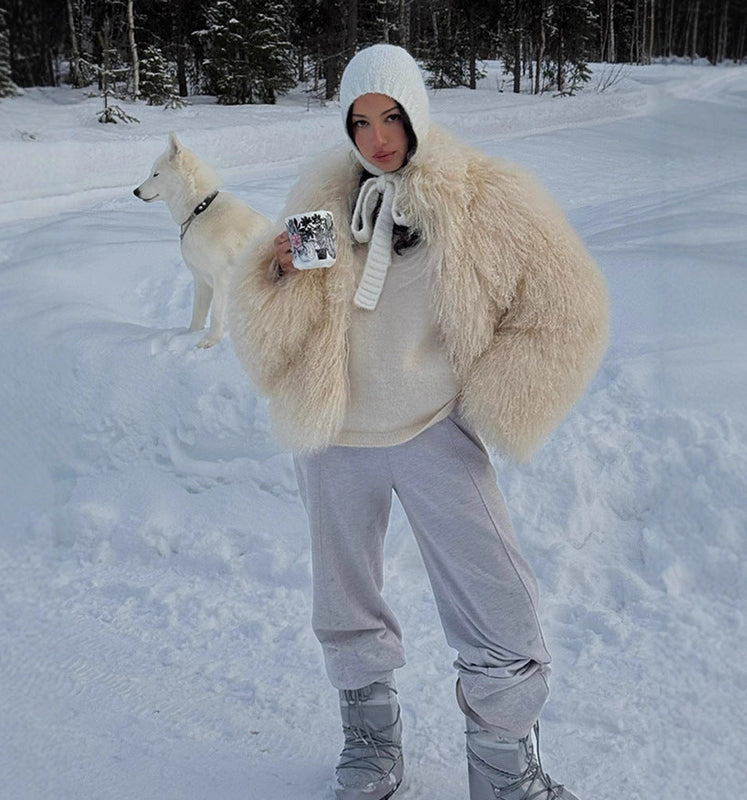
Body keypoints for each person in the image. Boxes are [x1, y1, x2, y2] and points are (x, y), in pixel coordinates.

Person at [228, 44, 609, 800]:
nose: (377, 137)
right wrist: (273, 274)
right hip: (336, 436)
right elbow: (281, 324)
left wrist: (495, 398)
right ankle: (370, 750)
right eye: (361, 121)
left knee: (498, 598)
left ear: (417, 113)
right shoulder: (330, 196)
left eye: (391, 116)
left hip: (434, 429)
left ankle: (502, 771)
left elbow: (572, 307)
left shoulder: (481, 198)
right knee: (344, 600)